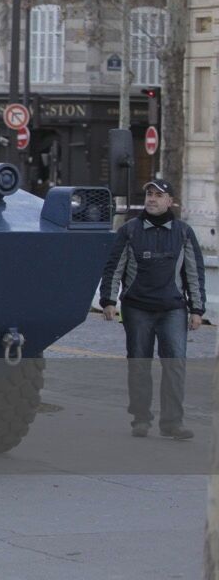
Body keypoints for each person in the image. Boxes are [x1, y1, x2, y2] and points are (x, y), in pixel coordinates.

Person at [99, 179, 207, 440]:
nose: (152, 199)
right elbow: (114, 267)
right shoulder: (130, 230)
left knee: (175, 365)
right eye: (149, 194)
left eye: (159, 195)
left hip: (173, 309)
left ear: (170, 201)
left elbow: (194, 272)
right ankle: (141, 419)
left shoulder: (183, 232)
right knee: (139, 364)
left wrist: (197, 309)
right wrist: (109, 301)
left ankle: (172, 423)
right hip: (137, 309)